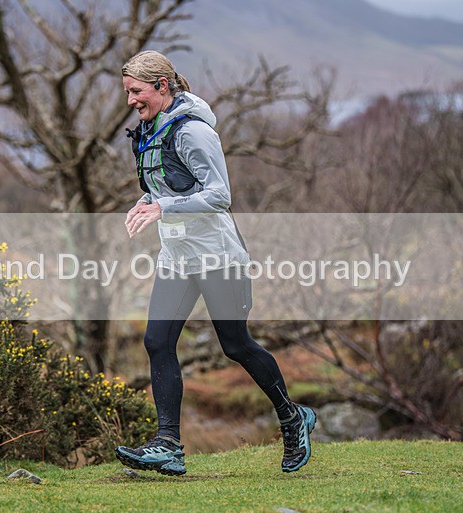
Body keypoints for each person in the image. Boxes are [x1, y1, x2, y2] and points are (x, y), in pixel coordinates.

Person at [114, 51, 316, 476]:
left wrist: (163, 207)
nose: (130, 100)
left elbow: (219, 195)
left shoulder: (193, 131)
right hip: (178, 256)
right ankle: (168, 445)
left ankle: (292, 416)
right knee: (157, 342)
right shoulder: (153, 127)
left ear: (162, 86)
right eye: (127, 92)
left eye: (136, 91)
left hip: (217, 255)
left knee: (235, 345)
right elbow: (169, 183)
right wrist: (147, 200)